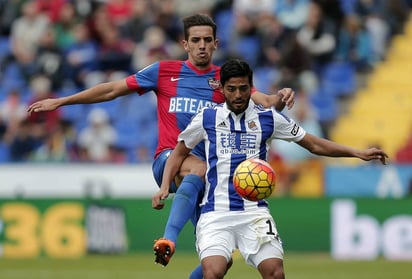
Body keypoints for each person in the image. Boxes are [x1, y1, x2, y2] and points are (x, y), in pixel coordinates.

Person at [27, 13, 295, 278]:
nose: (202, 45)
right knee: (197, 169)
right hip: (170, 159)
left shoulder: (225, 81)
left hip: (210, 177)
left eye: (207, 40)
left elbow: (267, 103)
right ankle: (168, 239)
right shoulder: (163, 71)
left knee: (217, 264)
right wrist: (61, 101)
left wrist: (281, 96)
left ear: (216, 43)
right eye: (196, 40)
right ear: (185, 44)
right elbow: (111, 89)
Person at [152, 59, 388, 279]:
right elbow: (178, 154)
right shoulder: (207, 117)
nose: (238, 94)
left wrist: (357, 152)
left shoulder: (268, 119)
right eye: (231, 88)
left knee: (275, 273)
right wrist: (164, 186)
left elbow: (313, 144)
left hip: (254, 213)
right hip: (215, 213)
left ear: (251, 87)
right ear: (222, 89)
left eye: (243, 88)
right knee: (213, 272)